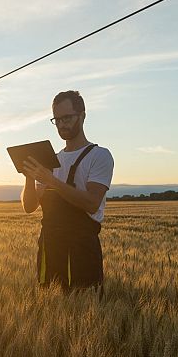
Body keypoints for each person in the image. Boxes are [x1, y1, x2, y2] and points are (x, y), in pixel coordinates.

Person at [20, 90, 114, 294]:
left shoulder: (99, 156)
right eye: (57, 119)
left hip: (81, 249)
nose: (62, 124)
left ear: (82, 115)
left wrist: (51, 180)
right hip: (49, 248)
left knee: (84, 310)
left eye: (67, 118)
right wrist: (29, 176)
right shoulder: (51, 160)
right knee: (50, 310)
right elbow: (29, 207)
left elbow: (92, 202)